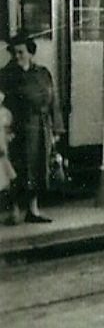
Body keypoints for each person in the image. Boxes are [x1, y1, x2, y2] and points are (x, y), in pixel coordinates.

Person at [1, 34, 62, 224]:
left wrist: (57, 129)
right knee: (17, 169)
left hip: (40, 127)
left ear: (30, 53)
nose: (17, 56)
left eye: (21, 52)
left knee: (37, 168)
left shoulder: (42, 73)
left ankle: (33, 209)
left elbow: (53, 101)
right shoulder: (5, 75)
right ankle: (15, 210)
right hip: (16, 129)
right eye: (14, 52)